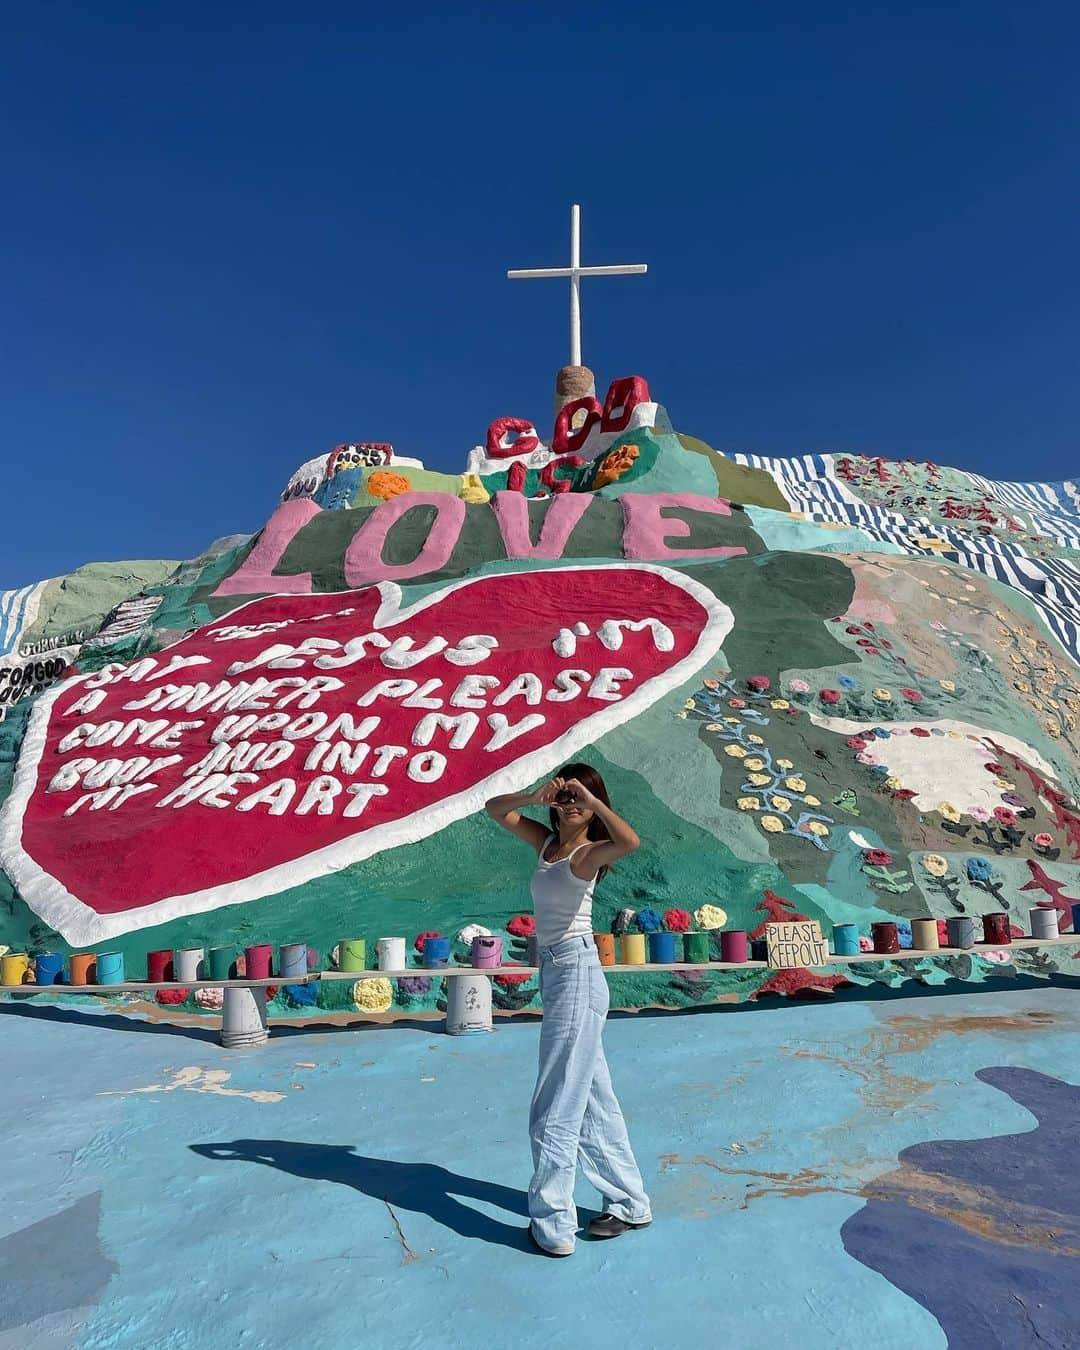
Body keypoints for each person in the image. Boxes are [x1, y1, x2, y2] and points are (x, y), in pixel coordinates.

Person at [485, 762, 652, 1257]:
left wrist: (594, 802)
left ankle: (554, 1223)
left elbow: (631, 842)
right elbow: (495, 810)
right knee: (594, 1101)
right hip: (559, 973)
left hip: (578, 972)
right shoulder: (546, 844)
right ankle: (629, 1202)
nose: (572, 803)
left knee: (555, 1102)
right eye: (567, 794)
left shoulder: (586, 854)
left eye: (581, 797)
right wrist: (536, 796)